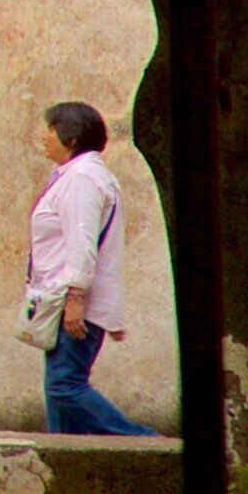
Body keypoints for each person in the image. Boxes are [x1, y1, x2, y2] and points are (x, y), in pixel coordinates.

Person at [30, 101, 154, 436]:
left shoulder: (82, 179)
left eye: (51, 129)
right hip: (64, 299)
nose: (43, 136)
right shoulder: (78, 176)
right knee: (59, 396)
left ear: (70, 139)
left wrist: (75, 299)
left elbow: (81, 241)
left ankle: (143, 441)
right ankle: (63, 457)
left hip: (73, 301)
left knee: (64, 386)